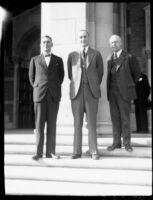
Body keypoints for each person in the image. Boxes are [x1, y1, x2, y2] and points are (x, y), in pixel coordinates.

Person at [67, 30, 104, 160]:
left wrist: (92, 84)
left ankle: (94, 151)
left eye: (85, 37)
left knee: (92, 123)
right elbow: (70, 75)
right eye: (81, 37)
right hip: (76, 93)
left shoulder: (96, 54)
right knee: (77, 123)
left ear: (88, 38)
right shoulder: (72, 55)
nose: (83, 39)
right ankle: (76, 152)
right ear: (79, 39)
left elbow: (100, 73)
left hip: (91, 92)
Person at [29, 35, 64, 160]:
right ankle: (38, 153)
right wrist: (39, 87)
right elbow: (31, 78)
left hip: (54, 96)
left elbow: (61, 77)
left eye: (48, 42)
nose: (46, 44)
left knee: (52, 126)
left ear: (52, 44)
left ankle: (51, 152)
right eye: (43, 42)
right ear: (40, 45)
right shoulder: (34, 59)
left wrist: (52, 87)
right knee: (39, 126)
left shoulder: (58, 60)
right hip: (39, 96)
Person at [106, 34, 141, 152]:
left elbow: (136, 75)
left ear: (120, 43)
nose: (113, 44)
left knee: (125, 119)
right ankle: (116, 143)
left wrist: (127, 87)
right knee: (115, 119)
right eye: (111, 43)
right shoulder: (110, 59)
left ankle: (127, 144)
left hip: (124, 93)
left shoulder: (129, 57)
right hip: (112, 93)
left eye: (116, 42)